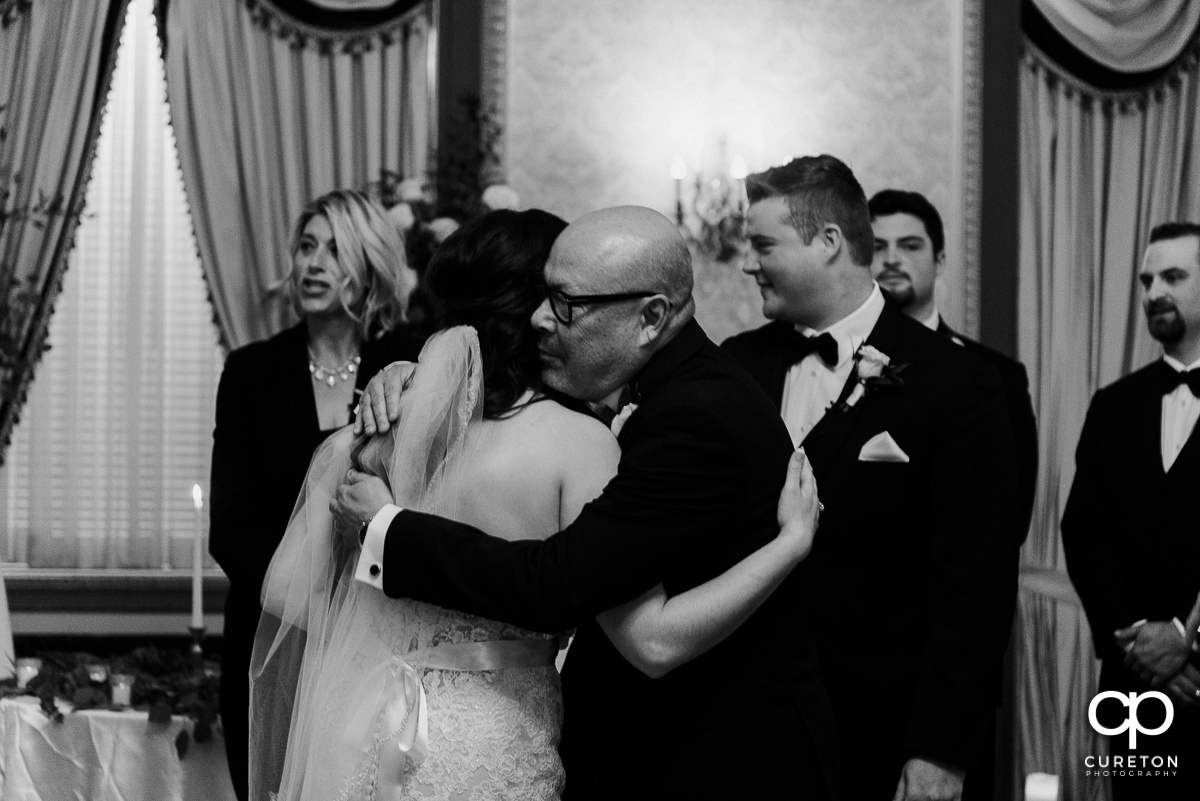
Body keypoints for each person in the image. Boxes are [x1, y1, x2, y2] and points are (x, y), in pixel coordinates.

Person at [255, 208, 825, 801]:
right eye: (545, 297)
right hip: (497, 736)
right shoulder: (581, 439)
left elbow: (283, 594)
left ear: (651, 317)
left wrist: (385, 535)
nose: (545, 318)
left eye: (566, 304)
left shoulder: (385, 434)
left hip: (381, 725)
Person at [721, 155, 1019, 801]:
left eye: (763, 244)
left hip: (880, 731)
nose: (748, 262)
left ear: (828, 242)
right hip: (742, 723)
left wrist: (941, 748)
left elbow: (974, 584)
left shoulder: (960, 384)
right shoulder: (733, 367)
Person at [208, 189, 422, 801]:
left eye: (334, 249)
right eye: (306, 247)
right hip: (270, 632)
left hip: (378, 637)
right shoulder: (251, 372)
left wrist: (356, 612)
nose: (313, 264)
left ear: (370, 262)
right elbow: (232, 529)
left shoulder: (408, 368)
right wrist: (307, 609)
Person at [1062, 222, 1200, 800]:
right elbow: (1084, 531)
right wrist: (1140, 644)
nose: (1151, 292)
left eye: (1173, 276)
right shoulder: (1113, 405)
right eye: (1146, 279)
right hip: (1136, 692)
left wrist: (1189, 642)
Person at [868, 188, 1038, 545]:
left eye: (910, 246)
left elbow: (1011, 513)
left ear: (940, 260)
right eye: (877, 247)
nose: (892, 259)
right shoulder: (833, 359)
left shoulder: (998, 375)